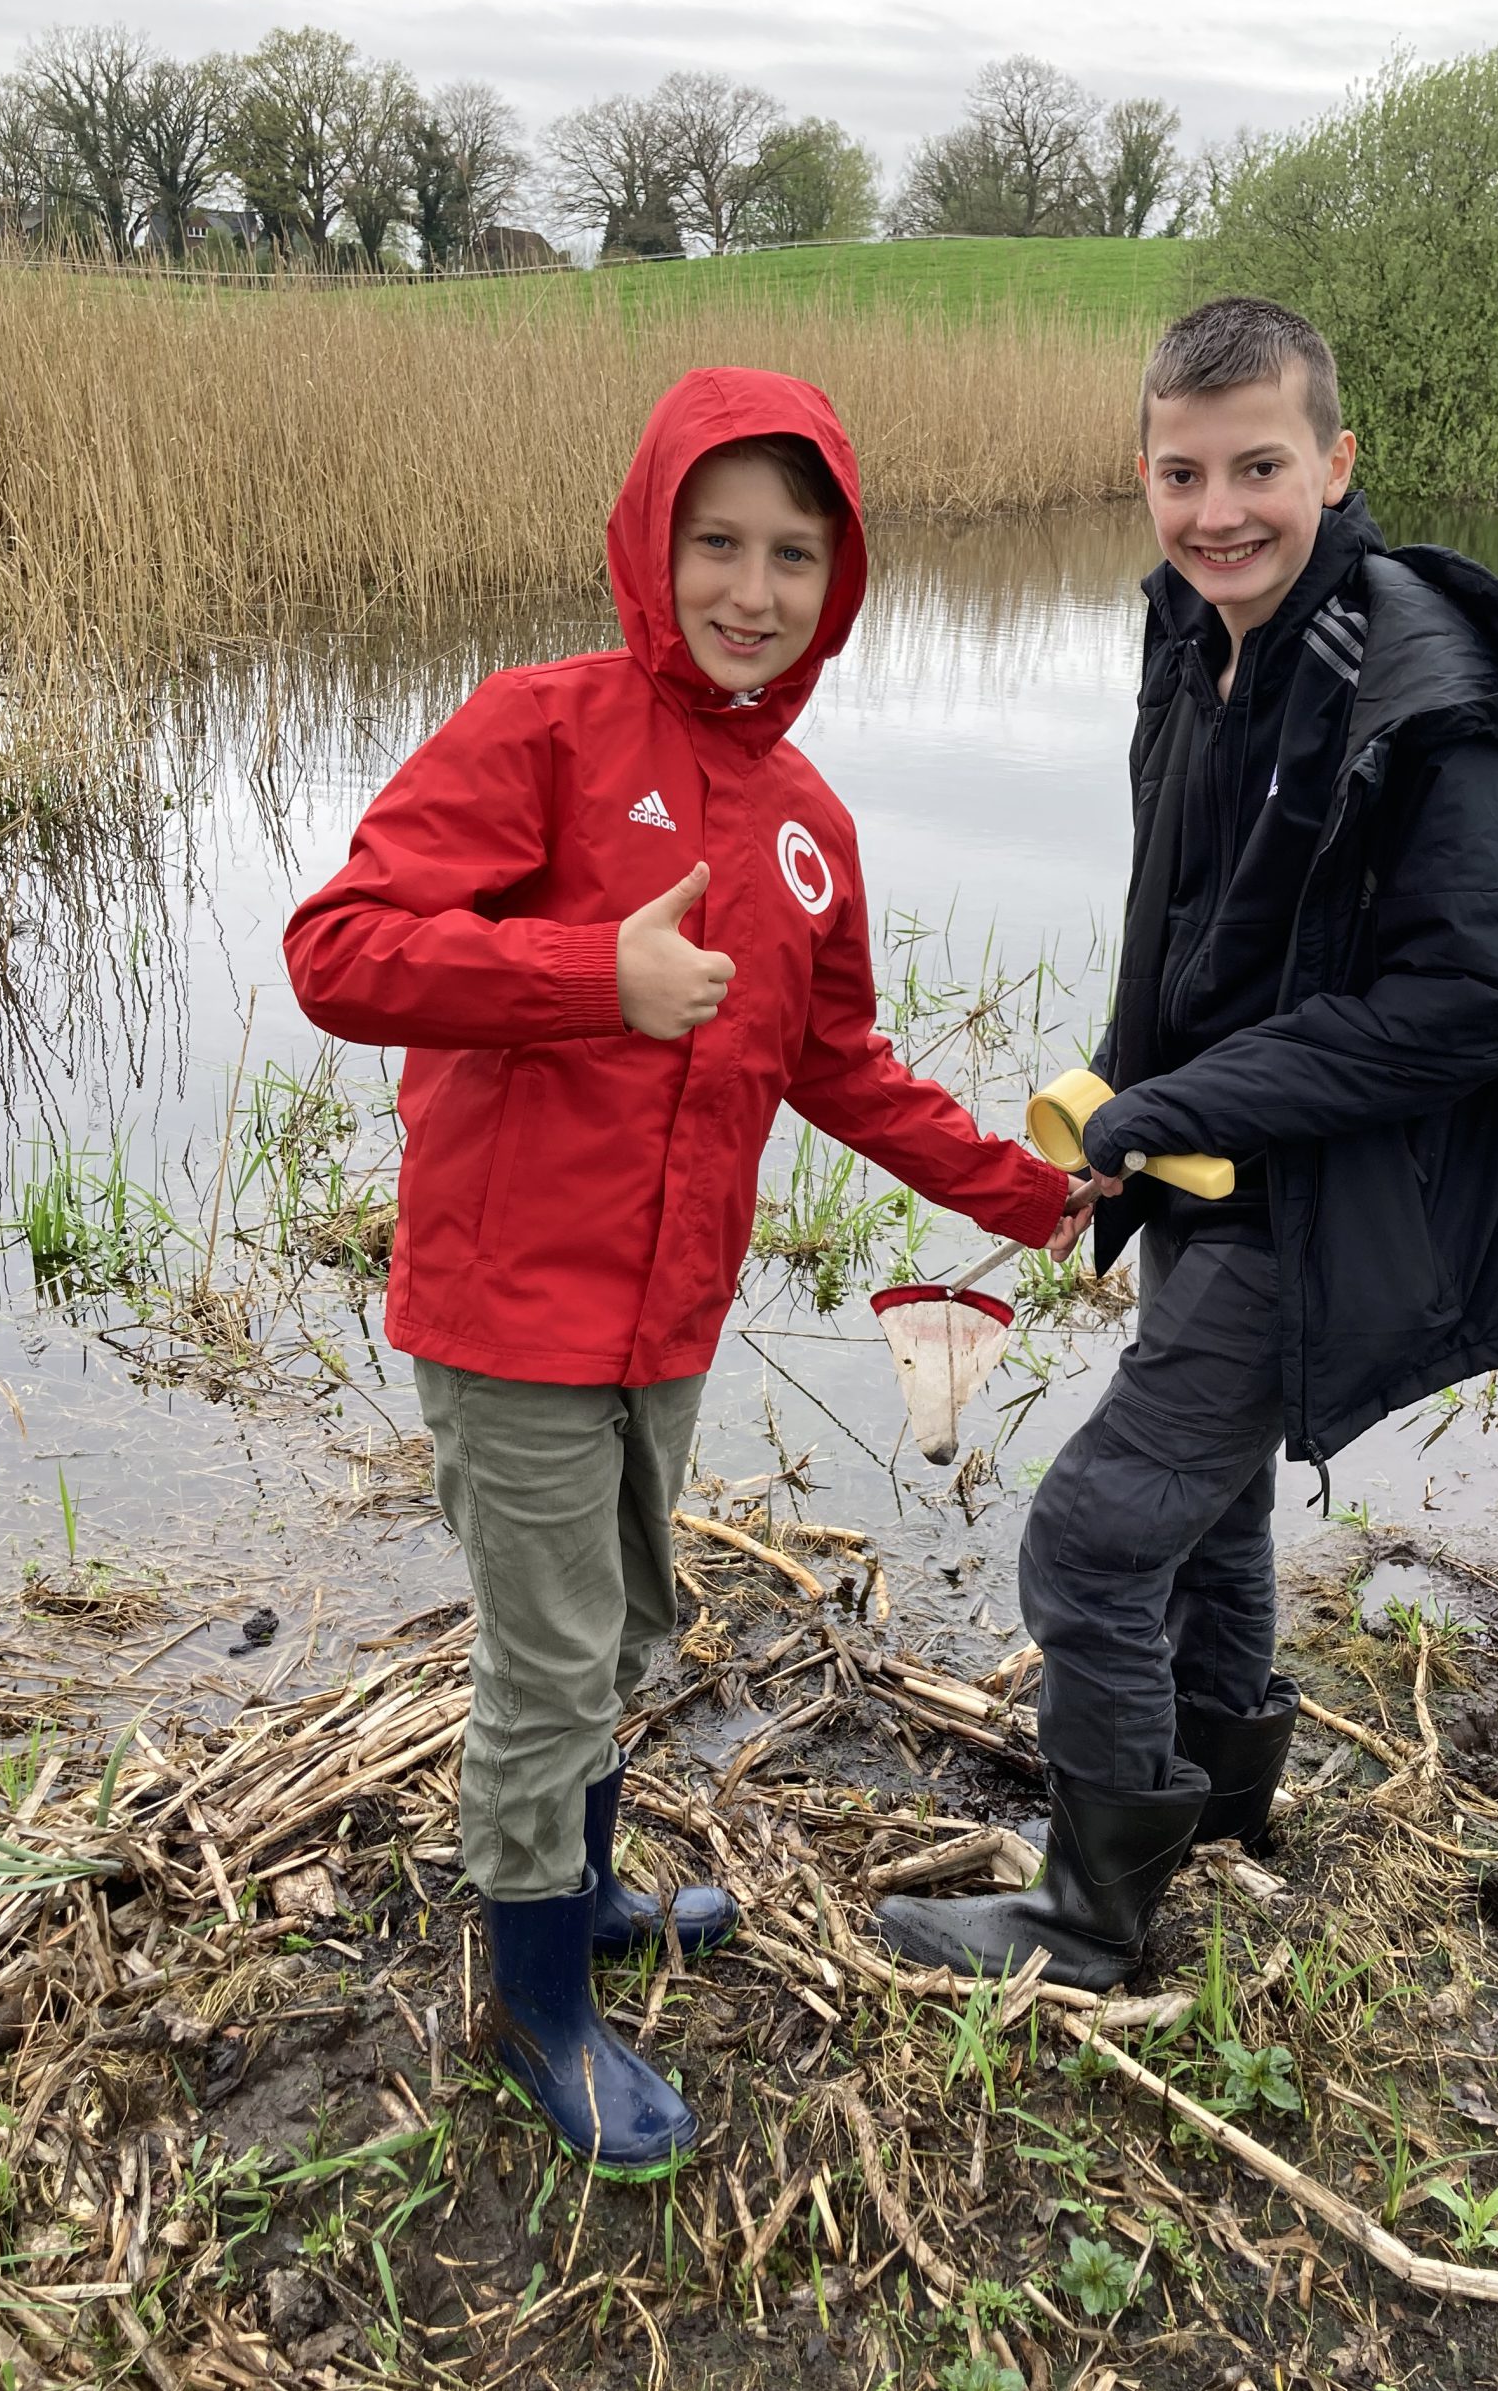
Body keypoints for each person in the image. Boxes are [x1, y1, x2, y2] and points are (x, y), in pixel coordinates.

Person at [285, 367, 1080, 2170]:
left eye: (795, 553)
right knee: (555, 1660)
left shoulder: (810, 824)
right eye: (716, 541)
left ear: (838, 580)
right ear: (651, 542)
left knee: (628, 1622)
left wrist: (1030, 1195)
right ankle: (535, 2008)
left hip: (667, 1317)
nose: (751, 586)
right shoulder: (541, 729)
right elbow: (339, 951)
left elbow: (840, 1063)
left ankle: (580, 1891)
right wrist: (593, 977)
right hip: (510, 1304)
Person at [876, 296, 1498, 1991]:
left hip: (1330, 1195)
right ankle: (1215, 1797)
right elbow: (1199, 913)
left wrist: (1186, 1107)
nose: (1219, 512)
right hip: (1220, 1164)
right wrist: (1122, 1102)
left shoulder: (1415, 682)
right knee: (1207, 1514)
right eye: (1183, 474)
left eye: (1259, 469)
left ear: (1336, 465)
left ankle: (1091, 1916)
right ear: (1145, 475)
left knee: (1091, 1539)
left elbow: (1485, 997)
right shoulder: (1196, 633)